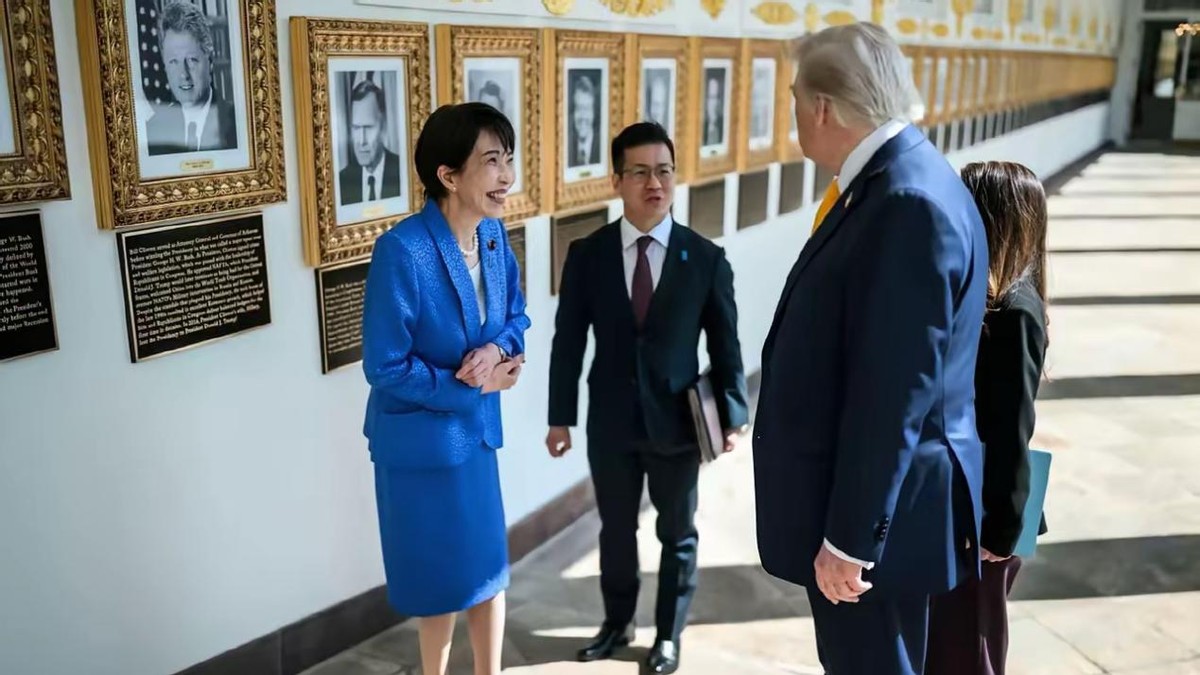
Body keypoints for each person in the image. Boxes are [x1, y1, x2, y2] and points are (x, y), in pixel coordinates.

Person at [752, 22, 988, 675]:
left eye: (795, 98)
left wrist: (851, 539)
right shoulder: (898, 178)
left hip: (880, 523)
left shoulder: (905, 200)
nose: (793, 113)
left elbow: (894, 392)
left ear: (823, 108)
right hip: (886, 505)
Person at [546, 121, 749, 675]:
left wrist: (732, 414)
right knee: (615, 530)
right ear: (617, 181)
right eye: (639, 172)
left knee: (677, 533)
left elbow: (726, 345)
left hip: (678, 423)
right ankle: (616, 624)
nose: (654, 183)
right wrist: (560, 418)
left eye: (663, 171)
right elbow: (568, 342)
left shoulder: (705, 259)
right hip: (610, 422)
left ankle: (667, 636)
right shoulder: (588, 255)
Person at [360, 102, 531, 675]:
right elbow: (385, 366)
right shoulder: (402, 251)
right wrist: (474, 390)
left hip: (476, 442)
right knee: (438, 584)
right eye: (492, 161)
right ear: (449, 176)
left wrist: (497, 350)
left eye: (508, 159)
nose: (507, 176)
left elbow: (517, 316)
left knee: (488, 572)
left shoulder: (492, 238)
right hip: (421, 449)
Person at [926, 161, 1050, 675]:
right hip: (966, 508)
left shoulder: (1012, 312)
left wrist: (1000, 530)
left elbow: (1011, 429)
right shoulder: (983, 300)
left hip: (985, 520)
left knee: (971, 651)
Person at [147, 0, 238, 155]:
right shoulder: (155, 132)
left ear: (210, 60)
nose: (183, 74)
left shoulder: (238, 123)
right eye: (173, 61)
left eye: (191, 60)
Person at [339, 78, 403, 205]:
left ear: (383, 127)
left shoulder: (402, 172)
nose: (362, 141)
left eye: (368, 127)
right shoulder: (342, 181)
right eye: (356, 128)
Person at [568, 74, 600, 166]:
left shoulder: (603, 146)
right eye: (579, 108)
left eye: (586, 109)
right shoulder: (566, 146)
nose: (582, 116)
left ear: (593, 112)